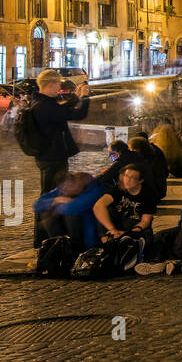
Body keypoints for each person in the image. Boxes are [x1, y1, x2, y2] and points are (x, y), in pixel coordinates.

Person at [27, 68, 92, 199]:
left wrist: (76, 97)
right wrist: (85, 97)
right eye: (58, 84)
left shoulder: (40, 101)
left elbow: (61, 109)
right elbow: (77, 114)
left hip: (48, 154)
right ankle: (44, 218)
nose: (59, 88)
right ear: (51, 84)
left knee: (54, 191)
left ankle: (52, 216)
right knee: (50, 193)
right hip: (52, 156)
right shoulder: (45, 106)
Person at [32, 171, 105, 251]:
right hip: (72, 229)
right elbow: (37, 205)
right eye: (63, 189)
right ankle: (59, 245)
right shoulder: (65, 189)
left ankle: (74, 248)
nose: (65, 192)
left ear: (78, 182)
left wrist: (54, 211)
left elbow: (72, 207)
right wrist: (57, 200)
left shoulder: (95, 189)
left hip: (90, 238)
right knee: (44, 212)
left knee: (69, 215)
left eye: (68, 188)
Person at [93, 165, 157, 248]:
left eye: (133, 178)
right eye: (126, 176)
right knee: (105, 213)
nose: (127, 180)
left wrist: (125, 233)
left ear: (140, 181)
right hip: (116, 224)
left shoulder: (148, 195)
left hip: (134, 227)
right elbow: (98, 206)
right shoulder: (118, 188)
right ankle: (107, 246)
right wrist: (113, 230)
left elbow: (145, 222)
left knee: (139, 238)